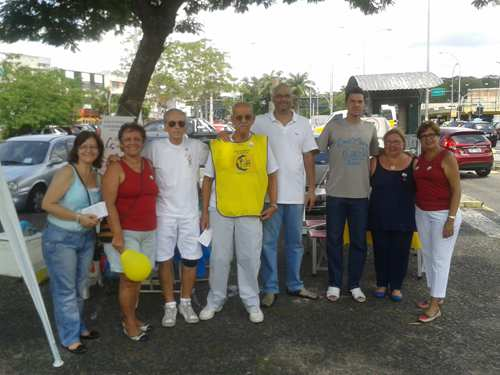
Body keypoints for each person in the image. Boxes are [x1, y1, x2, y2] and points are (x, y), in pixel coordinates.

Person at [199, 102, 279, 323]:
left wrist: (273, 204)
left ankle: (252, 302)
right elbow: (207, 180)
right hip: (221, 209)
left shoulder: (263, 144)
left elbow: (273, 175)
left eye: (247, 117)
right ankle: (215, 300)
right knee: (220, 258)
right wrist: (204, 211)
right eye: (238, 117)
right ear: (232, 120)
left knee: (249, 259)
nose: (243, 121)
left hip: (251, 211)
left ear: (253, 119)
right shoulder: (219, 145)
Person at [253, 83, 318, 307]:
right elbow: (244, 142)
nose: (282, 99)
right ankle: (270, 288)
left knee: (295, 243)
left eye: (286, 96)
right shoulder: (260, 123)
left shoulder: (303, 123)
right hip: (269, 196)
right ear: (273, 98)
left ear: (292, 99)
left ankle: (295, 285)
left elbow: (308, 157)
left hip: (296, 195)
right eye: (278, 96)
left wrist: (311, 189)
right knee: (268, 243)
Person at [143, 109, 208, 327]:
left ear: (187, 125)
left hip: (190, 213)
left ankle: (186, 302)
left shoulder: (197, 147)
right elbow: (136, 165)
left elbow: (218, 162)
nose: (177, 128)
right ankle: (170, 304)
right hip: (163, 214)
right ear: (165, 126)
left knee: (190, 259)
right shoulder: (154, 148)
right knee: (165, 260)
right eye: (172, 124)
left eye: (181, 123)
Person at [41, 131, 104, 354]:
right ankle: (69, 337)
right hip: (61, 239)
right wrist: (78, 217)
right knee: (65, 290)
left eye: (93, 147)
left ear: (99, 151)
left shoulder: (97, 175)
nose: (89, 150)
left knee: (80, 286)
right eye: (84, 146)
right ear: (76, 149)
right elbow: (48, 204)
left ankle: (78, 327)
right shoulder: (67, 172)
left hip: (85, 238)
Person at [318, 86, 379, 303]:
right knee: (333, 240)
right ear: (347, 103)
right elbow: (316, 149)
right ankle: (334, 283)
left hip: (360, 195)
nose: (356, 105)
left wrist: (369, 176)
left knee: (358, 242)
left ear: (364, 104)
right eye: (353, 101)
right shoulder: (333, 126)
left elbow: (375, 156)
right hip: (336, 194)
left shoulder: (370, 128)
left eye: (360, 101)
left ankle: (354, 284)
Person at [102, 122, 158, 341]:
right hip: (126, 232)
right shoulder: (115, 168)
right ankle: (129, 322)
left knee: (139, 277)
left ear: (143, 142)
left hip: (149, 231)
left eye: (136, 139)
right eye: (128, 139)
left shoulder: (148, 164)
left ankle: (132, 316)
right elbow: (109, 204)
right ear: (121, 143)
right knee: (128, 279)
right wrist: (117, 234)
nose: (132, 143)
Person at [413, 121, 462, 323]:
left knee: (440, 259)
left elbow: (457, 190)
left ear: (438, 136)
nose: (428, 139)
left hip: (443, 215)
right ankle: (435, 294)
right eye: (424, 137)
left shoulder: (447, 157)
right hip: (422, 212)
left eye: (432, 135)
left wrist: (450, 219)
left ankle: (435, 305)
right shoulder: (420, 158)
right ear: (420, 140)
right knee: (428, 256)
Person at [368, 128, 416, 302]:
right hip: (379, 215)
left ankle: (396, 286)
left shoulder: (413, 162)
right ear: (383, 144)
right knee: (380, 251)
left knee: (400, 252)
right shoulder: (374, 162)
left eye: (396, 142)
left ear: (403, 144)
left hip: (404, 216)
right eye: (388, 142)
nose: (392, 145)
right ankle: (381, 283)